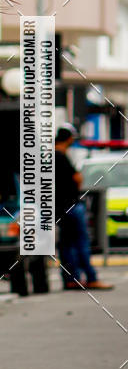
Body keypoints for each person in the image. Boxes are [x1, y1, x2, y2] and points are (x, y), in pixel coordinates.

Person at [55, 125, 112, 291]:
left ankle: (71, 279)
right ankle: (90, 277)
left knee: (66, 245)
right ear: (69, 138)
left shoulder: (49, 157)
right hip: (71, 205)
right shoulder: (61, 156)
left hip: (59, 207)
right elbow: (77, 178)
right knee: (81, 243)